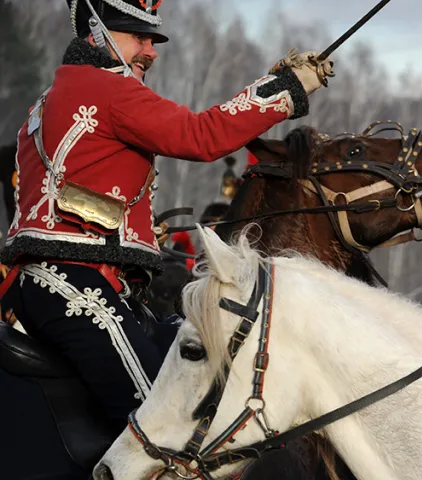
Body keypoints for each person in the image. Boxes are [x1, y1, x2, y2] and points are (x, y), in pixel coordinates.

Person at [0, 0, 333, 434]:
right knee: (166, 430)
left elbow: (74, 193)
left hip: (74, 281)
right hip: (69, 281)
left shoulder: (59, 94)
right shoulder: (105, 89)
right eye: (138, 36)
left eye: (153, 39)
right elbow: (201, 135)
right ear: (97, 33)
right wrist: (286, 87)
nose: (151, 50)